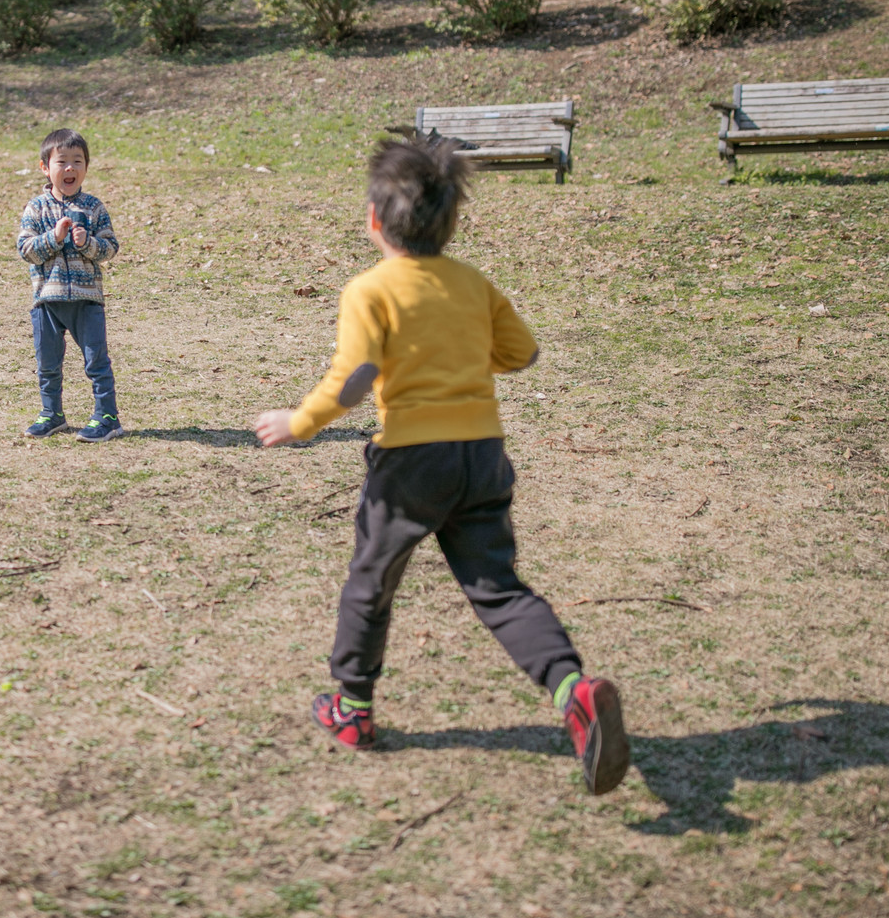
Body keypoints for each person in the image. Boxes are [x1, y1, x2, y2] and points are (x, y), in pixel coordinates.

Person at [253, 137, 628, 793]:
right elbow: (522, 351)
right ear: (451, 223)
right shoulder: (473, 284)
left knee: (372, 582)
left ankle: (352, 709)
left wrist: (299, 422)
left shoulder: (371, 291)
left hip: (412, 462)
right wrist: (457, 356)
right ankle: (573, 688)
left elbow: (357, 375)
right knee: (497, 587)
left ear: (374, 219)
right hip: (482, 455)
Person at [16, 128, 123, 442]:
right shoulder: (37, 208)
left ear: (86, 168)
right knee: (47, 363)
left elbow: (110, 248)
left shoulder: (94, 207)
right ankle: (52, 414)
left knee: (96, 361)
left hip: (87, 300)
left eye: (78, 161)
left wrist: (86, 242)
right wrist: (55, 237)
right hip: (47, 301)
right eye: (62, 162)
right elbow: (26, 250)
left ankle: (107, 416)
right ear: (45, 167)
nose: (70, 169)